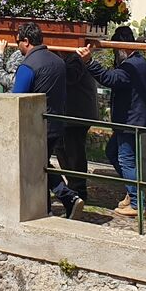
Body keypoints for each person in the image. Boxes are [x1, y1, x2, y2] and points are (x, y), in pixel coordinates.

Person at [79, 26, 146, 218]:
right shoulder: (139, 62)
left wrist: (90, 62)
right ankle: (132, 191)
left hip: (130, 122)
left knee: (126, 160)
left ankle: (137, 203)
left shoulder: (131, 66)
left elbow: (110, 79)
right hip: (131, 120)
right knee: (113, 152)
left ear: (122, 47)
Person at [12, 21, 82, 217]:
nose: (18, 46)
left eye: (18, 42)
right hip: (56, 123)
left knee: (38, 165)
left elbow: (15, 97)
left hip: (35, 126)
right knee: (42, 164)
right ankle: (48, 208)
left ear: (26, 41)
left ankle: (68, 197)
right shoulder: (58, 62)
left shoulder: (28, 66)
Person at [60, 48, 98, 200]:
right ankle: (74, 186)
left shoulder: (76, 58)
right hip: (73, 113)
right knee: (65, 150)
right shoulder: (72, 58)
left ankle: (78, 189)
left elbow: (70, 77)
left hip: (77, 113)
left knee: (74, 152)